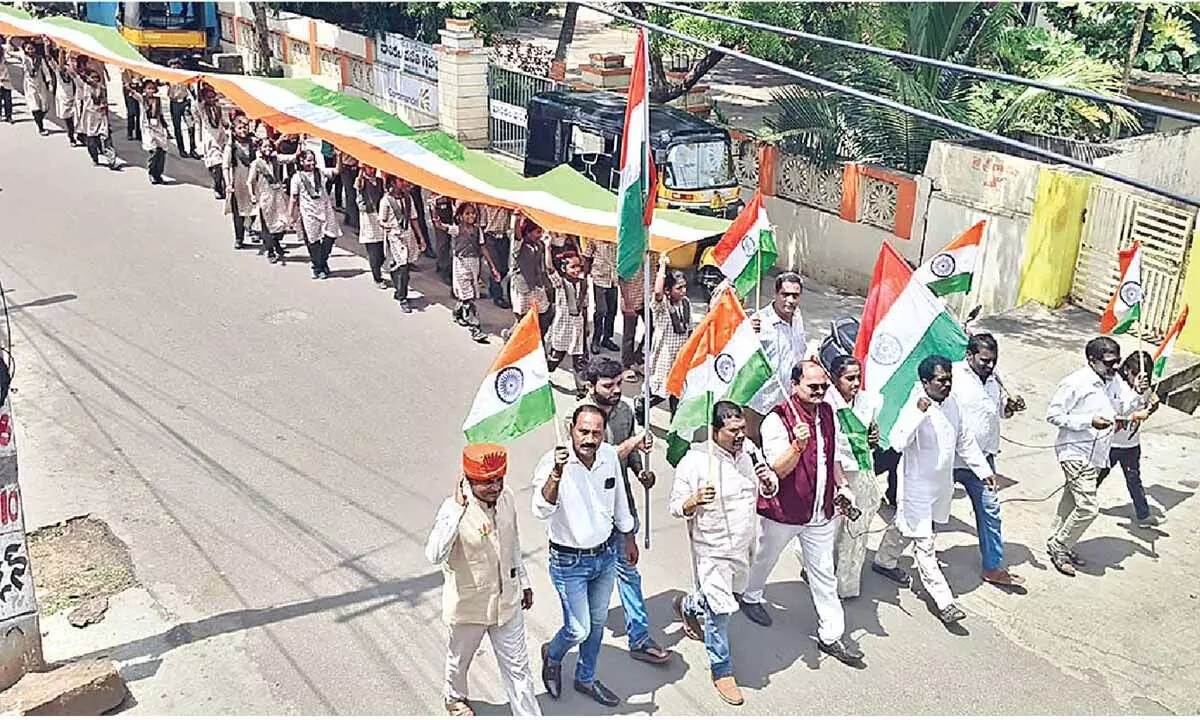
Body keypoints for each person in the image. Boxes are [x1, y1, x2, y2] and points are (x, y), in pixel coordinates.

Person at [740, 361, 864, 665]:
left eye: (824, 386)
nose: (820, 392)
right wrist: (797, 445)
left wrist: (843, 487)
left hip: (820, 511)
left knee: (823, 572)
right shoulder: (777, 420)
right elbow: (776, 470)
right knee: (765, 558)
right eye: (813, 387)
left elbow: (831, 456)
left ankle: (831, 635)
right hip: (785, 511)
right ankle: (750, 596)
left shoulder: (827, 414)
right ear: (794, 385)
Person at [872, 355, 995, 626]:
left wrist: (984, 472)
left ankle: (883, 561)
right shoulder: (915, 404)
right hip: (915, 486)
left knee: (904, 527)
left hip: (940, 486)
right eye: (941, 380)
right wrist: (918, 413)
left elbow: (964, 440)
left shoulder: (952, 403)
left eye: (949, 378)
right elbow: (898, 441)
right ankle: (944, 601)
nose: (947, 384)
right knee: (925, 544)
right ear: (926, 381)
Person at [671, 401, 777, 705]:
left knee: (727, 596)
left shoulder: (750, 454)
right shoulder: (695, 461)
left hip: (744, 546)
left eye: (743, 428)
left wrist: (769, 483)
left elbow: (767, 487)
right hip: (711, 550)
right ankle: (721, 669)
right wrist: (693, 501)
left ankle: (688, 605)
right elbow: (676, 507)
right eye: (733, 431)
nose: (741, 435)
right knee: (720, 611)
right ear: (716, 431)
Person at [532, 405, 636, 708]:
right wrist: (556, 473)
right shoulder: (553, 463)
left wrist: (627, 537)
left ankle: (586, 677)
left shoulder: (608, 456)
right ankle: (552, 655)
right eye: (584, 432)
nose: (590, 439)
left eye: (596, 432)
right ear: (571, 431)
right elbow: (540, 509)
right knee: (579, 628)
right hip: (568, 563)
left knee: (598, 622)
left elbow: (619, 501)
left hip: (604, 557)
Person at [426, 444, 541, 717]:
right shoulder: (453, 509)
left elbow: (513, 542)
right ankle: (454, 697)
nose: (495, 487)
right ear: (468, 479)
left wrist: (523, 581)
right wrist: (456, 511)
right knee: (459, 661)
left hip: (507, 602)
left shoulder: (506, 498)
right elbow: (434, 554)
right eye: (487, 482)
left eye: (499, 480)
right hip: (469, 607)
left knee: (519, 669)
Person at [579, 359, 670, 666]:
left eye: (619, 384)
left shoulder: (625, 412)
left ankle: (640, 637)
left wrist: (640, 471)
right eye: (608, 385)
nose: (617, 391)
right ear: (591, 386)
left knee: (628, 572)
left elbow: (626, 458)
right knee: (588, 581)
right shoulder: (580, 420)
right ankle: (568, 642)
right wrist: (632, 443)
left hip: (623, 509)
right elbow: (598, 461)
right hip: (588, 516)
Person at [949, 333, 1027, 588]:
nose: (989, 366)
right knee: (924, 512)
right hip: (950, 458)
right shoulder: (952, 376)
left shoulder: (997, 379)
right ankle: (889, 559)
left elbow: (1001, 411)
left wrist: (1011, 408)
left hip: (983, 460)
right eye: (984, 360)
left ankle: (993, 566)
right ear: (969, 355)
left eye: (993, 360)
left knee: (990, 511)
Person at [1045, 337, 1122, 576]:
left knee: (1071, 501)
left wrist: (1140, 397)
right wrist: (1088, 421)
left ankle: (1057, 540)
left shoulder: (1113, 380)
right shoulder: (1075, 383)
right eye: (1109, 362)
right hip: (1075, 451)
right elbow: (1054, 415)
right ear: (1092, 360)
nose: (1114, 367)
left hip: (1098, 454)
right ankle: (1061, 546)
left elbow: (1123, 406)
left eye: (1117, 362)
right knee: (1088, 507)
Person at [825, 355, 882, 599]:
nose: (856, 383)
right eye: (849, 378)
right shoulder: (826, 404)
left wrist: (873, 439)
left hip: (861, 473)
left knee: (855, 530)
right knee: (829, 529)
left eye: (858, 377)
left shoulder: (869, 402)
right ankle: (819, 571)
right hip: (835, 474)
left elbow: (872, 432)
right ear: (836, 380)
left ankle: (846, 584)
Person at [1102, 351, 1161, 528]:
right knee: (1097, 475)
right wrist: (1136, 395)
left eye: (1144, 376)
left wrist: (1152, 406)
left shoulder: (1146, 387)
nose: (1140, 379)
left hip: (1131, 444)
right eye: (1136, 374)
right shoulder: (1115, 386)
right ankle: (1079, 500)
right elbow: (1118, 412)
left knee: (1134, 479)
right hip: (1111, 444)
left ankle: (1143, 515)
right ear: (1127, 370)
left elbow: (1148, 407)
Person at [746, 272, 807, 443]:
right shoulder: (759, 322)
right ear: (776, 294)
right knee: (754, 443)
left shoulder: (797, 317)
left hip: (788, 399)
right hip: (761, 400)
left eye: (795, 295)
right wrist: (745, 332)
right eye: (785, 294)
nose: (790, 300)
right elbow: (740, 353)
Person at [635, 253, 692, 424]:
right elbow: (658, 291)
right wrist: (662, 267)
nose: (683, 291)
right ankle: (642, 404)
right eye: (678, 288)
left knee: (678, 391)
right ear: (669, 291)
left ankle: (676, 425)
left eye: (684, 287)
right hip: (664, 357)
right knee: (661, 390)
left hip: (680, 356)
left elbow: (688, 328)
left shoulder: (686, 303)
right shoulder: (662, 306)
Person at [448, 202, 499, 343]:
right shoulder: (457, 229)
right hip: (461, 264)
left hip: (474, 264)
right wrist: (434, 212)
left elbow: (483, 248)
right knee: (469, 297)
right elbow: (442, 227)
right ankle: (475, 328)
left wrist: (492, 267)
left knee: (468, 293)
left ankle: (458, 312)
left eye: (473, 213)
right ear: (460, 215)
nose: (471, 216)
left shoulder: (478, 231)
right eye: (467, 213)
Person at [289, 148, 342, 280]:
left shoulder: (320, 172)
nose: (312, 163)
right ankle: (318, 267)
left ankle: (322, 261)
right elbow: (293, 198)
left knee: (331, 235)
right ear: (301, 161)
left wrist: (339, 156)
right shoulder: (297, 177)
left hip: (325, 208)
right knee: (314, 241)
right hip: (309, 211)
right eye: (308, 161)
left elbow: (337, 171)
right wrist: (291, 216)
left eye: (313, 160)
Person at [379, 177, 426, 312]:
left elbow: (413, 218)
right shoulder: (386, 200)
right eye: (401, 181)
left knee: (402, 265)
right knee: (403, 265)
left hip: (407, 234)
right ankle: (403, 298)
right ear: (393, 183)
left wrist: (421, 238)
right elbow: (382, 220)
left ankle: (399, 288)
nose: (405, 183)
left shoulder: (407, 198)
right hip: (395, 236)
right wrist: (385, 225)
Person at [547, 251, 590, 396]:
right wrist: (547, 248)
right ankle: (544, 375)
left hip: (577, 326)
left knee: (579, 359)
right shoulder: (560, 283)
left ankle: (581, 388)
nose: (577, 270)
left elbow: (585, 306)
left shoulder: (583, 284)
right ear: (564, 269)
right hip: (562, 326)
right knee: (556, 356)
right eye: (573, 267)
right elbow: (550, 269)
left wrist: (586, 327)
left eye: (579, 266)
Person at [247, 138, 294, 265]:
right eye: (265, 147)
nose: (268, 149)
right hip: (265, 197)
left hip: (278, 196)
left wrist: (300, 144)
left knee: (282, 222)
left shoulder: (276, 160)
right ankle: (271, 251)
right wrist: (252, 195)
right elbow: (250, 181)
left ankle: (276, 242)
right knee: (266, 226)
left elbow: (291, 158)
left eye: (270, 147)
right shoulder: (257, 163)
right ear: (260, 149)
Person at [505, 217, 552, 339]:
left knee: (545, 314)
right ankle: (511, 337)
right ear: (528, 232)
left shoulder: (538, 245)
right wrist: (517, 219)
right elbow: (517, 235)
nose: (539, 235)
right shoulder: (519, 245)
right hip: (522, 286)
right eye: (537, 232)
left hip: (536, 285)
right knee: (522, 320)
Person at [223, 115, 259, 249]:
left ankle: (250, 228)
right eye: (240, 128)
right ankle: (239, 237)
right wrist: (228, 184)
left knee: (254, 207)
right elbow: (225, 166)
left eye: (245, 127)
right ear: (234, 130)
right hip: (237, 181)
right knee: (238, 212)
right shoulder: (231, 146)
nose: (243, 130)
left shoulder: (252, 144)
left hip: (252, 179)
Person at [583, 238, 620, 356]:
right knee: (601, 311)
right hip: (599, 279)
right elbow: (587, 257)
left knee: (612, 311)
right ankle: (596, 339)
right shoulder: (594, 239)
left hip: (613, 280)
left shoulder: (617, 239)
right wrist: (585, 275)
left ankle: (607, 338)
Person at [355, 165, 389, 289]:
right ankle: (377, 277)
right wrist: (366, 207)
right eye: (369, 168)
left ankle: (378, 267)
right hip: (369, 219)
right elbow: (359, 200)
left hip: (380, 216)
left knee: (383, 250)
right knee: (373, 250)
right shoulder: (361, 181)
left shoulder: (379, 181)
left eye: (373, 167)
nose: (372, 170)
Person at [80, 68, 117, 169]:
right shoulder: (86, 87)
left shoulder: (102, 88)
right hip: (90, 118)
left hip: (102, 117)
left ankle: (111, 161)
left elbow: (105, 101)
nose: (95, 79)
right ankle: (94, 157)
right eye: (92, 77)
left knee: (106, 139)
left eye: (96, 77)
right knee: (91, 143)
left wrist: (104, 107)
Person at [197, 84, 227, 199]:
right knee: (216, 165)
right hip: (210, 140)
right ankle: (217, 188)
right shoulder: (203, 109)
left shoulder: (219, 108)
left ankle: (222, 186)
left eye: (212, 97)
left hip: (221, 138)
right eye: (208, 97)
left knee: (222, 164)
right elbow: (198, 100)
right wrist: (199, 82)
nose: (211, 99)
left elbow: (224, 122)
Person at [619, 260, 648, 373]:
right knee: (629, 334)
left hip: (648, 298)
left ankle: (639, 353)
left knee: (653, 328)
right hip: (632, 299)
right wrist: (628, 304)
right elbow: (622, 279)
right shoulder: (631, 255)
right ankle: (626, 364)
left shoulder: (655, 253)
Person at [140, 80, 171, 185]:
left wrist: (166, 127)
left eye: (152, 88)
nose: (151, 90)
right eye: (148, 88)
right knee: (154, 151)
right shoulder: (142, 100)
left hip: (158, 128)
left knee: (162, 152)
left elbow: (160, 114)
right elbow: (134, 94)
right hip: (148, 128)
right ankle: (152, 173)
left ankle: (158, 175)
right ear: (144, 89)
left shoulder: (158, 100)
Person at [20, 38, 53, 136]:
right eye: (28, 49)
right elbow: (9, 51)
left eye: (32, 48)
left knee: (45, 106)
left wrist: (49, 82)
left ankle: (40, 117)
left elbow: (46, 71)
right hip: (29, 85)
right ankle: (41, 127)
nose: (30, 51)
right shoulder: (23, 58)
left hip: (40, 84)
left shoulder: (39, 58)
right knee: (35, 106)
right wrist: (9, 40)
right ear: (25, 49)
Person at [482, 205, 512, 309]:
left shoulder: (506, 206)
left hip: (503, 238)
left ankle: (492, 286)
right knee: (496, 268)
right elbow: (482, 224)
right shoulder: (487, 206)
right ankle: (497, 296)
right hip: (491, 238)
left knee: (504, 269)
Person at [166, 59, 196, 159]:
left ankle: (193, 149)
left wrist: (195, 100)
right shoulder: (168, 77)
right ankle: (181, 150)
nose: (175, 69)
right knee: (177, 127)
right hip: (174, 103)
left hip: (185, 102)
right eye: (173, 67)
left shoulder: (185, 76)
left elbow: (191, 89)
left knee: (191, 126)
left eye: (177, 67)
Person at [49, 48, 79, 146]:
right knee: (69, 121)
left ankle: (80, 135)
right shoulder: (59, 71)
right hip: (64, 99)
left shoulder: (74, 72)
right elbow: (53, 61)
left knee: (79, 119)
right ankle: (71, 138)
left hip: (75, 99)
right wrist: (61, 51)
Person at [428, 192, 456, 285]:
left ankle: (444, 265)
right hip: (440, 205)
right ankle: (444, 269)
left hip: (454, 204)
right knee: (443, 242)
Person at [120, 68, 142, 141]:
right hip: (129, 89)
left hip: (139, 88)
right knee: (131, 112)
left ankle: (139, 132)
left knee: (140, 113)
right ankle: (130, 132)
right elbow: (125, 79)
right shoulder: (125, 69)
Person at [0, 41, 13, 124]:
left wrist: (9, 39)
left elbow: (9, 48)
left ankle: (9, 116)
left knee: (8, 100)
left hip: (6, 81)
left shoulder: (3, 57)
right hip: (2, 81)